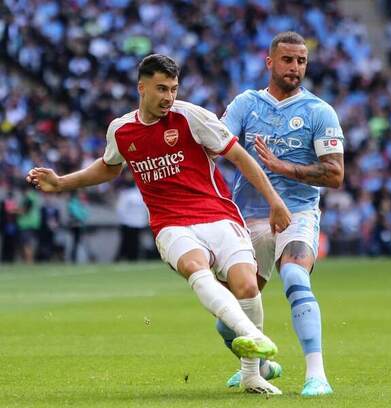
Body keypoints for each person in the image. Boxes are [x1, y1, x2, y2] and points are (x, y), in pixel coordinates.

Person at [26, 54, 291, 394]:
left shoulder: (191, 116)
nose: (169, 97)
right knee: (197, 268)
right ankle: (252, 335)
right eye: (162, 89)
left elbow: (239, 156)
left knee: (247, 288)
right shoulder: (122, 130)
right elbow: (110, 166)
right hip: (170, 223)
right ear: (142, 88)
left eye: (174, 89)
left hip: (217, 214)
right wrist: (61, 182)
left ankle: (253, 373)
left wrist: (274, 201)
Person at [220, 32, 344, 396]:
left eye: (301, 61)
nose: (295, 68)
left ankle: (316, 374)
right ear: (270, 62)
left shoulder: (319, 111)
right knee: (227, 317)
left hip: (298, 213)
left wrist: (283, 167)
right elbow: (217, 146)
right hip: (247, 216)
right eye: (288, 60)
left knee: (295, 276)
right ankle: (259, 366)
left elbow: (335, 174)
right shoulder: (246, 104)